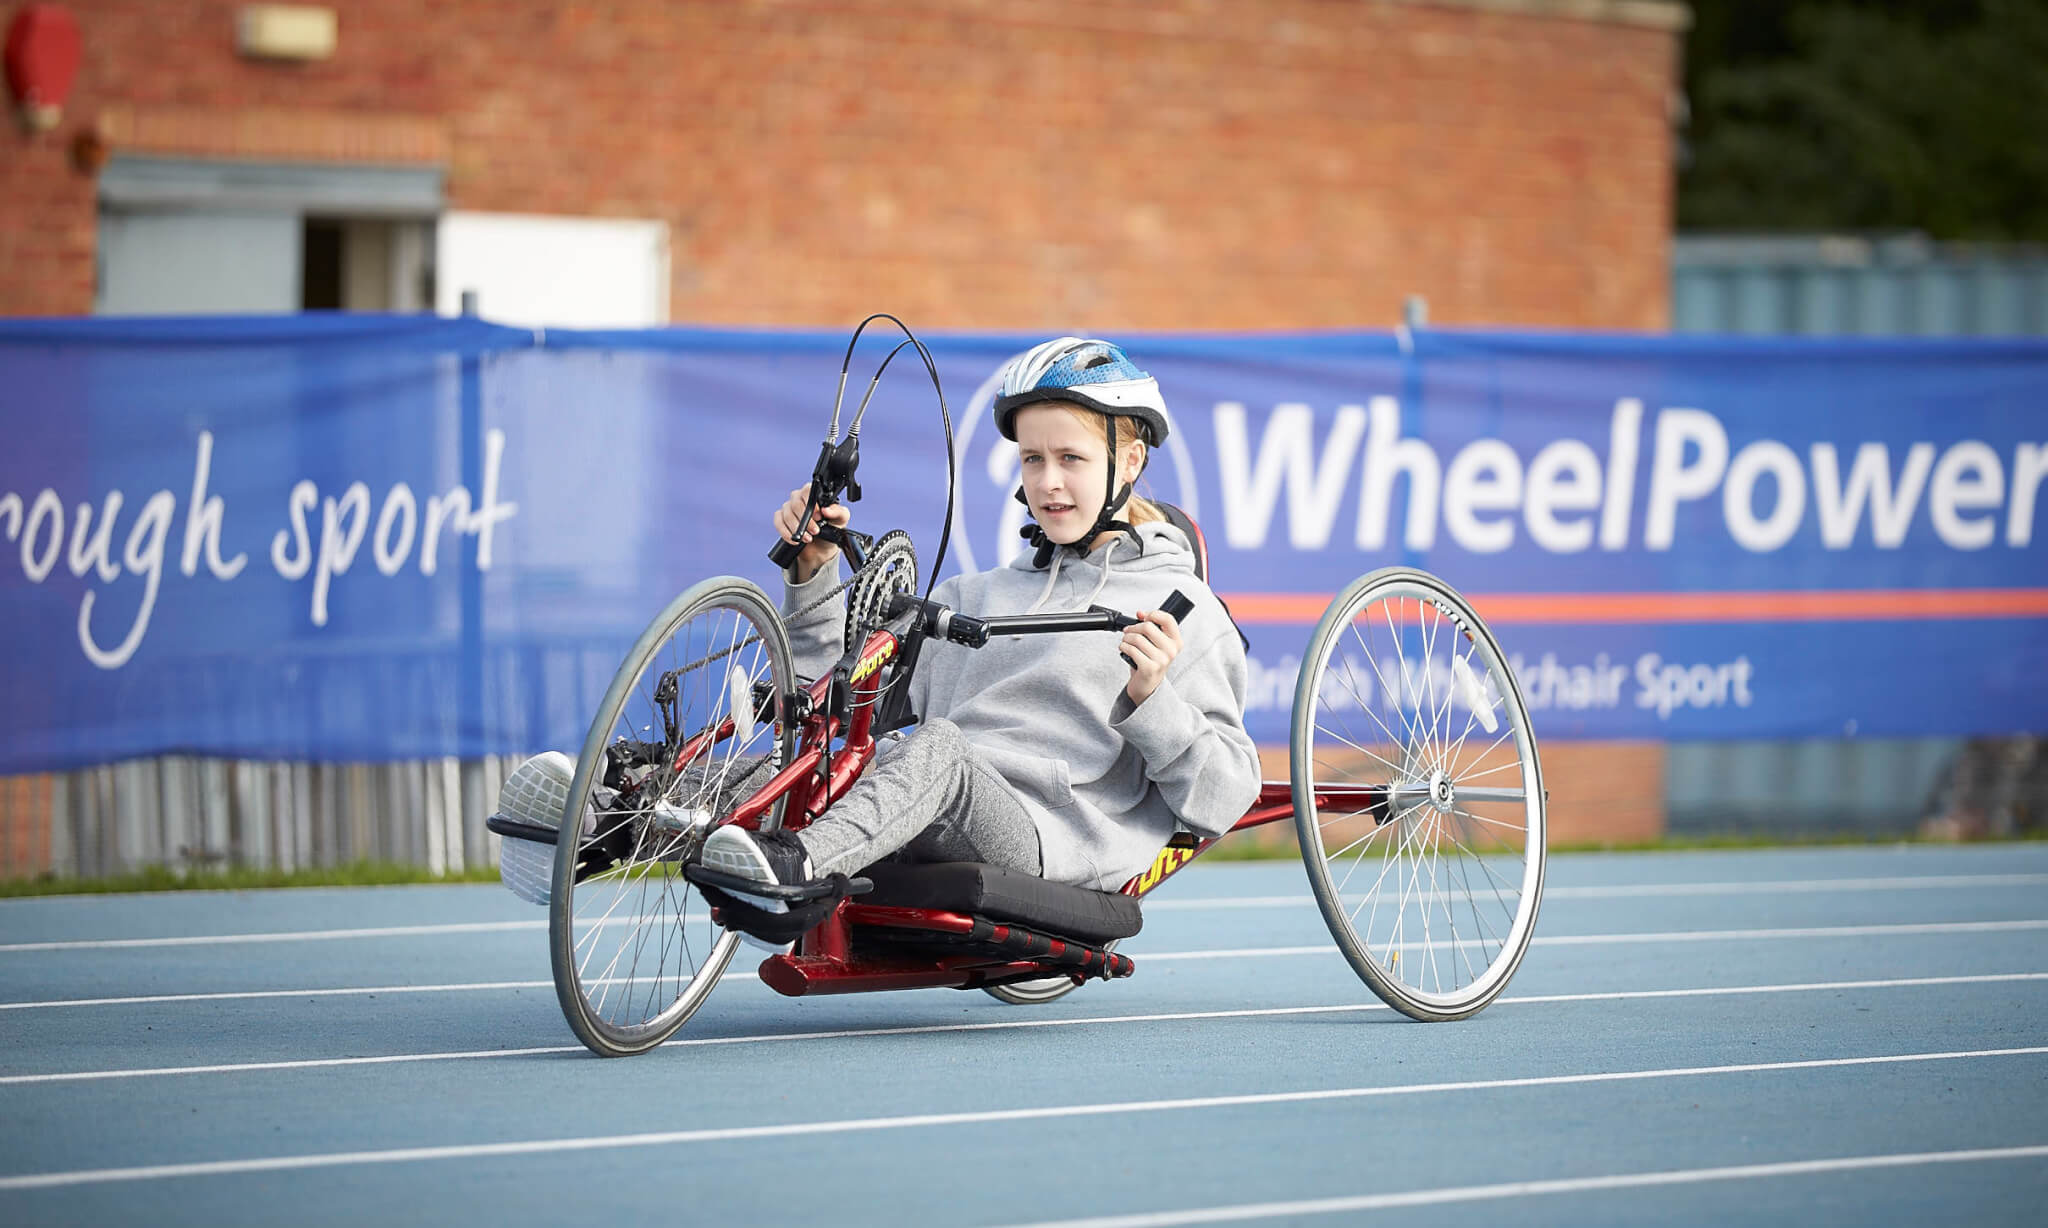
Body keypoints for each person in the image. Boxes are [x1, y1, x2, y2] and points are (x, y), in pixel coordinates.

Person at [695, 336, 1261, 905]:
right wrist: (812, 573)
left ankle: (796, 867)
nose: (1048, 482)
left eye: (1071, 459)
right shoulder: (972, 595)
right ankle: (616, 808)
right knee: (754, 771)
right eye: (1033, 459)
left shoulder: (1180, 605)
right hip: (917, 795)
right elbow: (837, 711)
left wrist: (1152, 699)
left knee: (940, 746)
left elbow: (1224, 799)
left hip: (1047, 832)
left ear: (1130, 460)